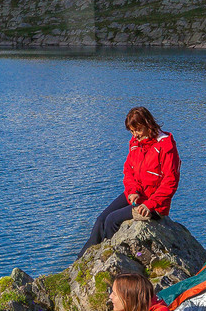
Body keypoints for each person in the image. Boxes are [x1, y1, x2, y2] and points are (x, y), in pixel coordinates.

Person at [78, 106, 181, 258]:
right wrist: (133, 190)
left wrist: (150, 204)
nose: (135, 135)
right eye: (132, 131)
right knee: (100, 220)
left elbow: (170, 182)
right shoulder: (135, 144)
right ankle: (82, 260)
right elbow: (129, 171)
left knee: (111, 220)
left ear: (148, 124)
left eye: (138, 130)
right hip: (137, 194)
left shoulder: (166, 146)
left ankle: (109, 256)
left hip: (153, 204)